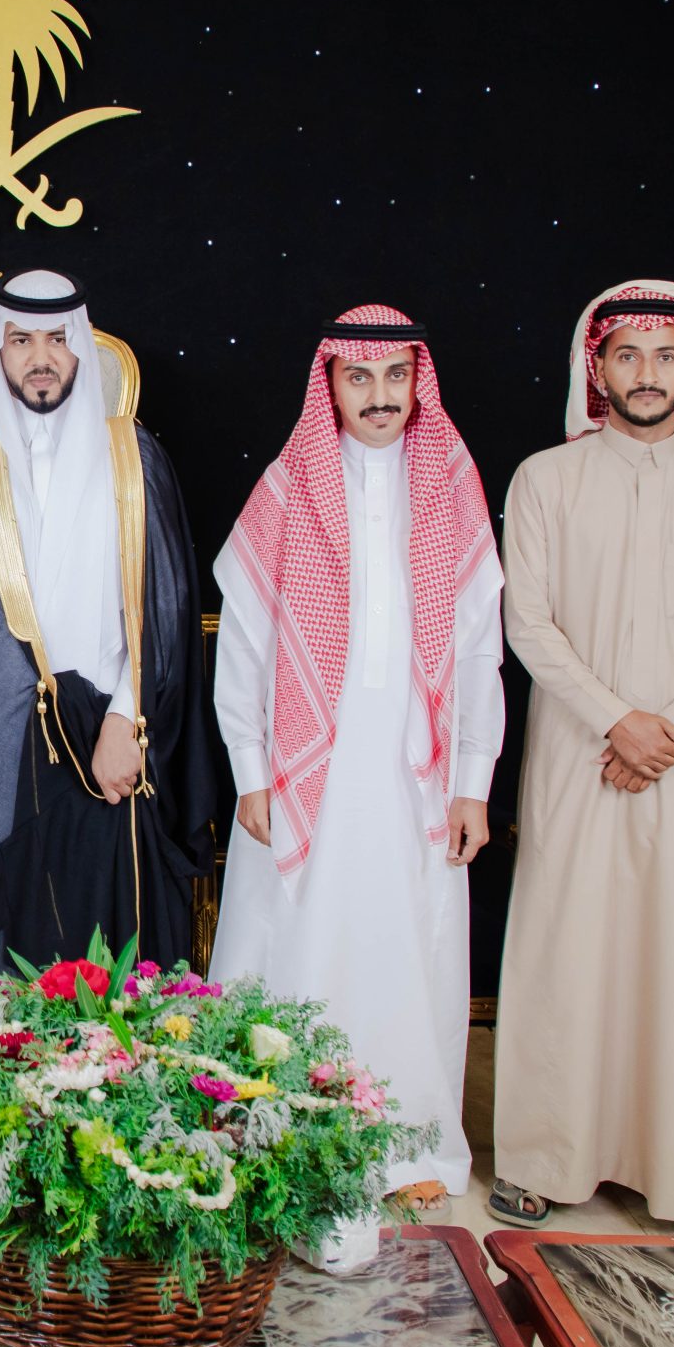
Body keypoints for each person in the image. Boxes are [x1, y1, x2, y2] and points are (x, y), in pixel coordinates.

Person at [491, 281, 674, 1239]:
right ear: (597, 367)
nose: (646, 373)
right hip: (579, 749)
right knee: (566, 947)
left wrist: (671, 728)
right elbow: (528, 622)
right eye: (627, 354)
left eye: (665, 355)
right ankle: (543, 1159)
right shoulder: (546, 478)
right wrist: (617, 720)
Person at [212, 306, 504, 1211]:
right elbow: (246, 644)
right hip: (306, 773)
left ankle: (408, 1148)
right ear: (330, 385)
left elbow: (478, 649)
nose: (380, 395)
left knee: (409, 952)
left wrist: (472, 783)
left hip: (416, 773)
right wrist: (250, 769)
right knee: (298, 945)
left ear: (418, 382)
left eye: (396, 376)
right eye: (359, 377)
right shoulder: (288, 485)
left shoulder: (451, 483)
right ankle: (278, 1141)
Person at [0, 269, 211, 999]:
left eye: (56, 339)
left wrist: (129, 720)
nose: (40, 358)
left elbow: (168, 610)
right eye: (21, 340)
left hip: (106, 748)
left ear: (79, 345)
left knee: (99, 947)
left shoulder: (134, 458)